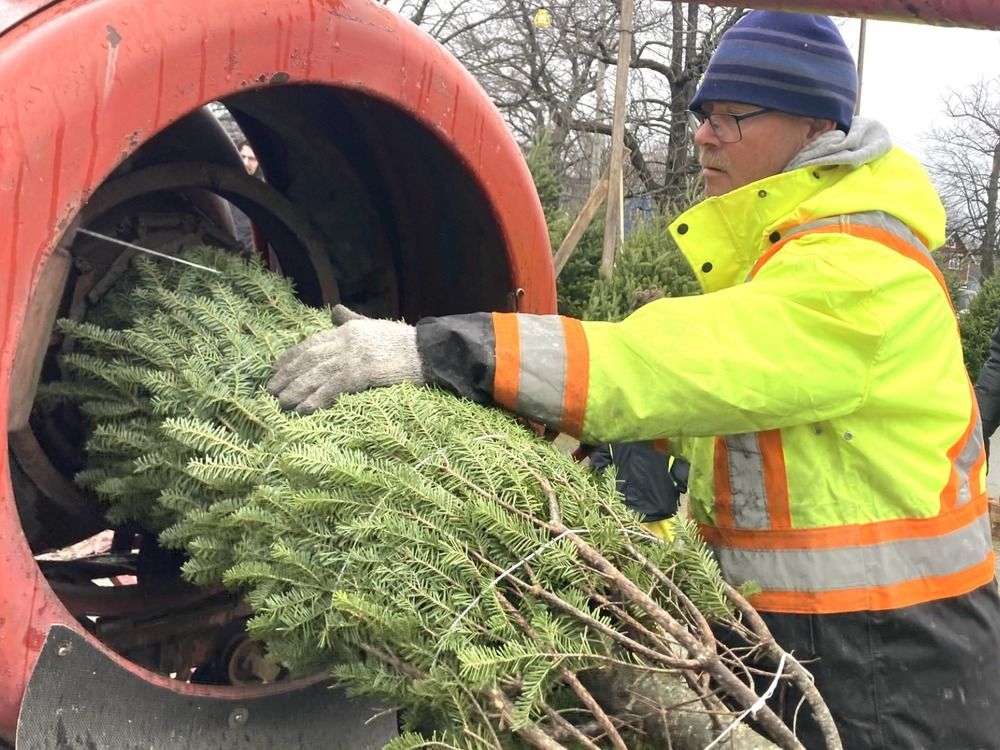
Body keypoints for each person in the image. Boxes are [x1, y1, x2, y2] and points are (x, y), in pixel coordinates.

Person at [267, 11, 1000, 748]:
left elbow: (667, 365)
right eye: (701, 116)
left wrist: (436, 352)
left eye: (730, 118)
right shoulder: (797, 258)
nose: (705, 136)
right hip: (810, 645)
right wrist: (563, 419)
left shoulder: (855, 269)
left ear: (813, 125)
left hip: (894, 665)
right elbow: (736, 412)